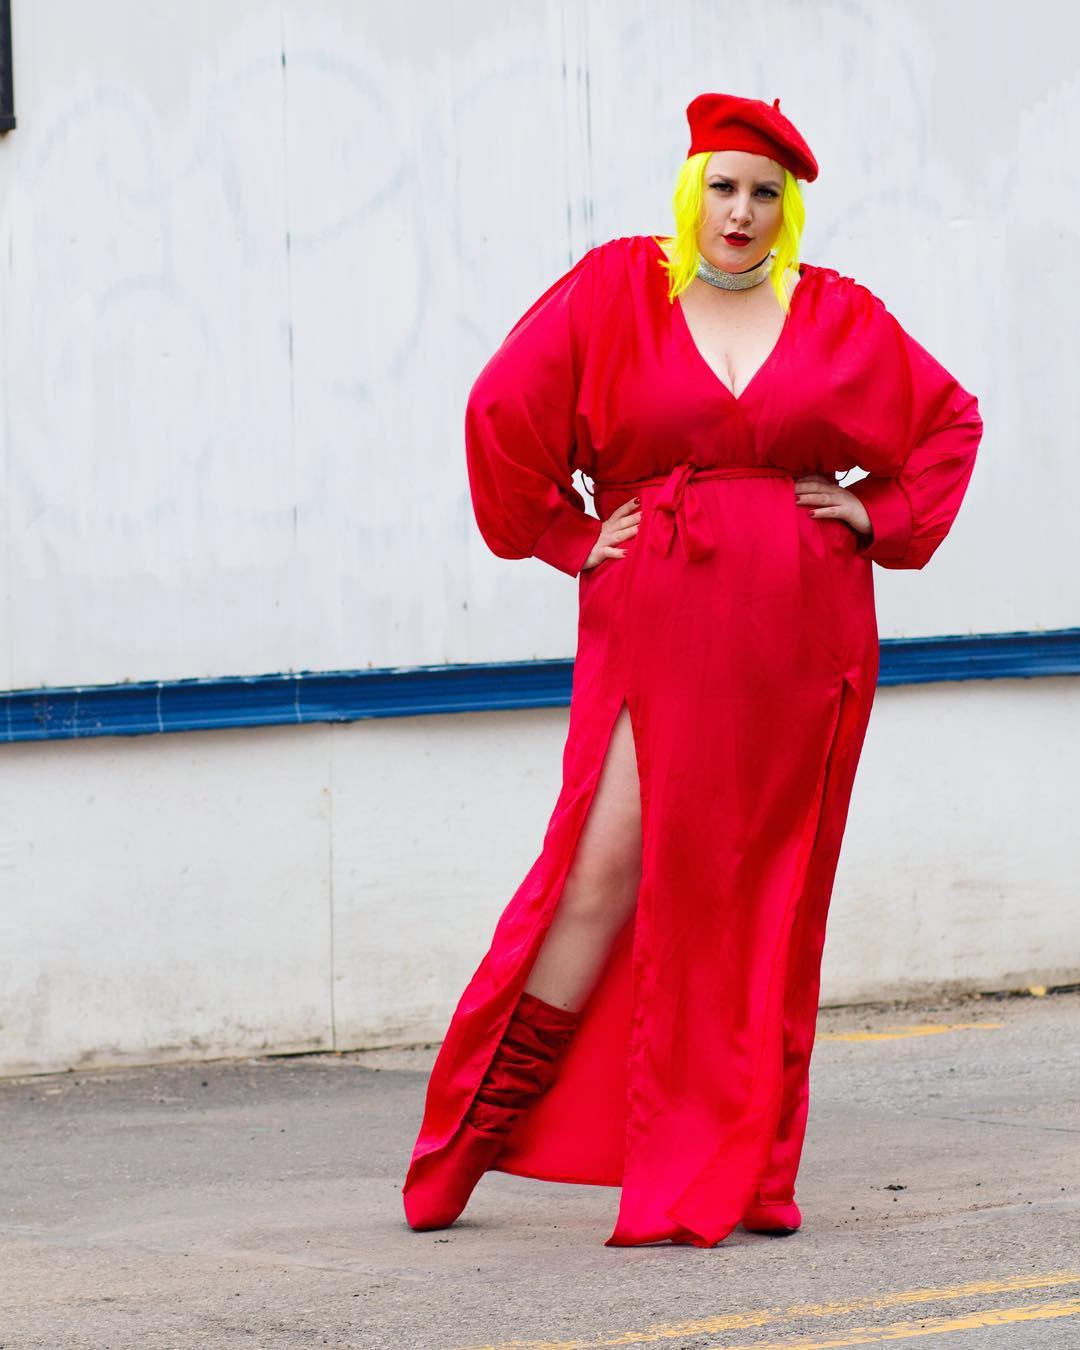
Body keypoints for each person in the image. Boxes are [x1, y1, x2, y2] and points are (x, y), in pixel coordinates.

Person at [401, 91, 982, 1249]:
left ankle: (750, 1169)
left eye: (766, 193)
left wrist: (874, 515)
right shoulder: (617, 289)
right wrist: (568, 537)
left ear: (789, 210)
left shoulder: (834, 315)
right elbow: (500, 411)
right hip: (655, 627)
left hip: (802, 647)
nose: (743, 211)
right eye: (724, 186)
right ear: (690, 190)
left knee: (770, 900)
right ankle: (478, 1134)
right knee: (600, 873)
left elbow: (947, 424)